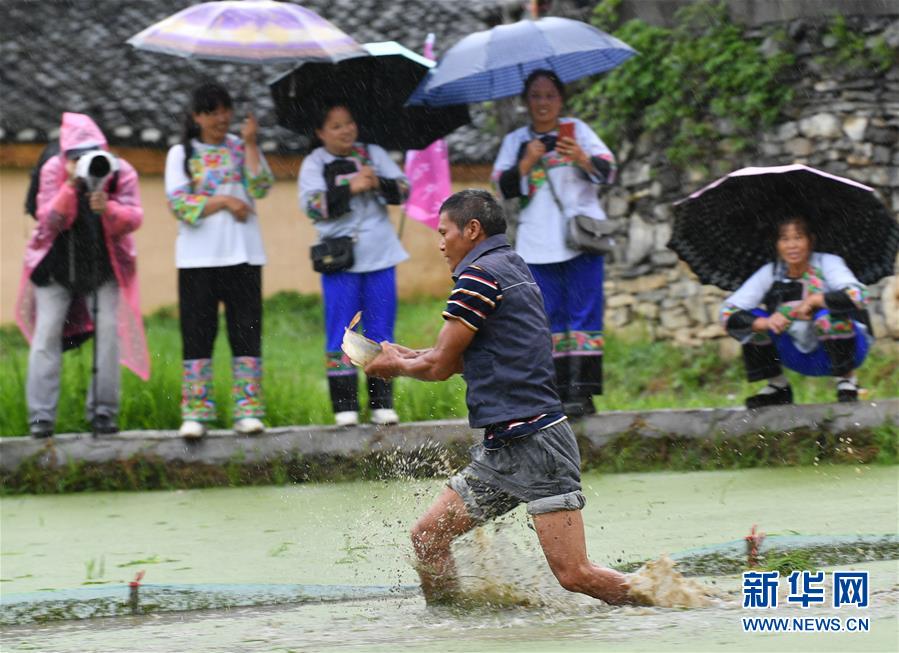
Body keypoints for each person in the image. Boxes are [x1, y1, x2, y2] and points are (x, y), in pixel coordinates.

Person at [364, 189, 632, 606]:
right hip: (504, 446)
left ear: (472, 230)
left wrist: (394, 367)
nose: (439, 243)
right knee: (429, 538)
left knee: (575, 574)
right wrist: (404, 354)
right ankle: (450, 626)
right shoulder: (511, 268)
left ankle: (676, 600)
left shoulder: (478, 278)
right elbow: (460, 358)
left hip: (537, 443)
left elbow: (439, 367)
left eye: (444, 232)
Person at [14, 112, 149, 438]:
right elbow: (50, 220)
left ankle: (104, 414)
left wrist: (109, 208)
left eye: (89, 154)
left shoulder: (119, 171)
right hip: (54, 265)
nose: (84, 161)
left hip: (103, 266)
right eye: (75, 156)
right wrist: (70, 186)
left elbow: (134, 218)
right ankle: (40, 418)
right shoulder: (53, 170)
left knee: (108, 336)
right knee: (46, 336)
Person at [492, 70, 617, 418]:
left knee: (585, 317)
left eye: (549, 95)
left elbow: (608, 172)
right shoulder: (516, 141)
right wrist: (527, 162)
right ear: (525, 102)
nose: (543, 102)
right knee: (546, 321)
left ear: (560, 100)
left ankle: (584, 394)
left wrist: (580, 156)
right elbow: (503, 188)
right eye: (535, 96)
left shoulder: (578, 132)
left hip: (580, 241)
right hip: (537, 244)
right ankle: (554, 395)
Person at [165, 82, 274, 439]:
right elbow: (180, 205)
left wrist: (252, 143)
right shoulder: (180, 154)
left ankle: (249, 411)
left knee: (246, 333)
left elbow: (260, 187)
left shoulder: (240, 149)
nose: (220, 118)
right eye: (211, 112)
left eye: (225, 110)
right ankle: (196, 414)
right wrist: (226, 202)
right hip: (198, 260)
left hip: (244, 255)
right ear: (196, 117)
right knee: (198, 334)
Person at [298, 102, 409, 427]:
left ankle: (381, 404)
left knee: (380, 332)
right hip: (340, 259)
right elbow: (311, 206)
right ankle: (344, 406)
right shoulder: (314, 163)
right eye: (336, 126)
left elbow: (404, 190)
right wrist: (349, 187)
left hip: (380, 254)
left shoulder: (373, 153)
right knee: (342, 333)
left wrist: (378, 183)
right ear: (320, 132)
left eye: (349, 123)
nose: (346, 130)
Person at [720, 215, 872, 408]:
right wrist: (766, 323)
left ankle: (847, 381)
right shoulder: (771, 272)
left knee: (827, 317)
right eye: (785, 239)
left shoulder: (828, 263)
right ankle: (778, 387)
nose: (792, 245)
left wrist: (816, 300)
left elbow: (859, 295)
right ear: (776, 244)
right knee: (754, 319)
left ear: (811, 240)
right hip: (796, 354)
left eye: (798, 237)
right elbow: (727, 313)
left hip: (846, 348)